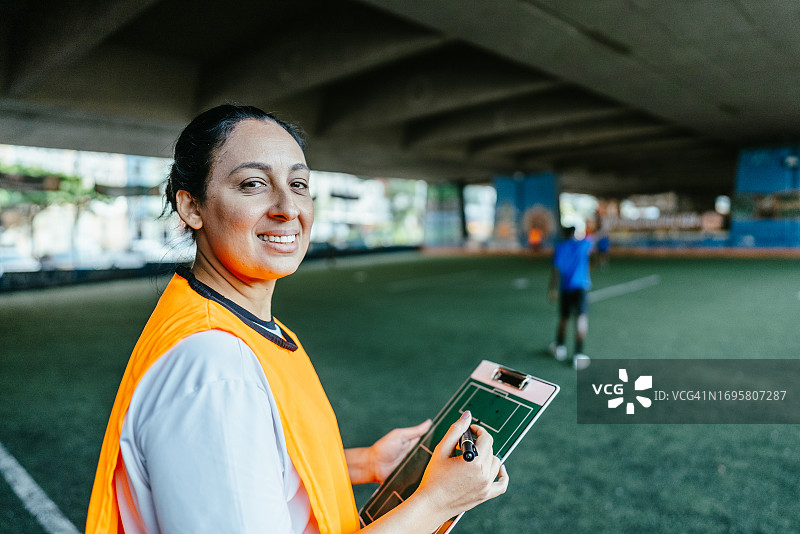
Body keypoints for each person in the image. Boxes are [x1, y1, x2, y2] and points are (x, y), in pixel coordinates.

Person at [86, 105, 508, 534]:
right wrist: (437, 502)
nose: (288, 207)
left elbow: (257, 471)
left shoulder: (242, 329)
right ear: (192, 207)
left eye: (299, 184)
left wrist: (368, 462)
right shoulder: (216, 367)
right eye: (253, 184)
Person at [547, 226, 593, 369]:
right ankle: (578, 354)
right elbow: (600, 234)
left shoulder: (560, 247)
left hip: (565, 288)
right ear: (575, 234)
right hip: (581, 287)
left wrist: (552, 288)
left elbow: (556, 270)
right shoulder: (583, 244)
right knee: (581, 318)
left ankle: (560, 348)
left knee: (564, 318)